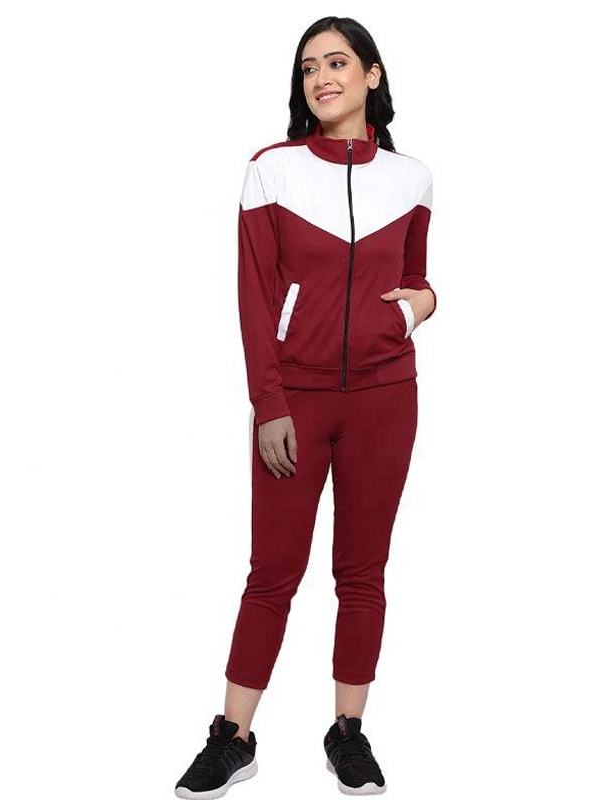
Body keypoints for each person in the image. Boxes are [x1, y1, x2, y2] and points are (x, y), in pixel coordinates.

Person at [175, 15, 437, 799]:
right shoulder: (273, 170)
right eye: (309, 68)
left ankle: (347, 732)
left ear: (372, 75)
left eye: (337, 63)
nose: (322, 78)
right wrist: (270, 403)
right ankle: (233, 736)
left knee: (363, 572)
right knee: (273, 572)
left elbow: (418, 277)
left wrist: (420, 308)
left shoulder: (411, 178)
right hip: (297, 400)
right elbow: (254, 299)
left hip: (387, 399)